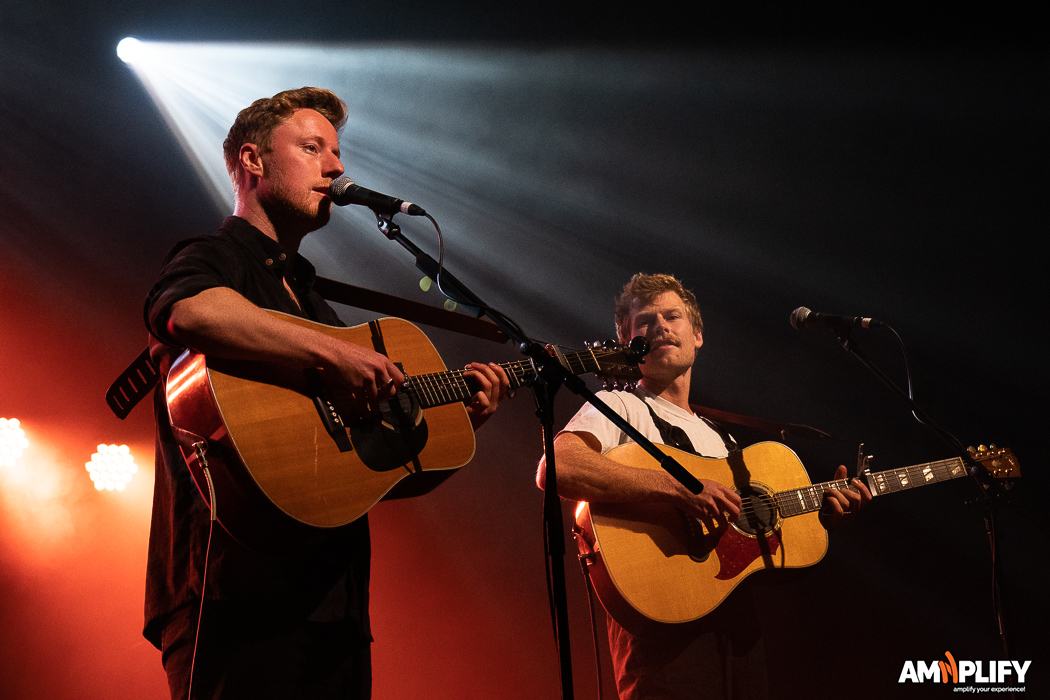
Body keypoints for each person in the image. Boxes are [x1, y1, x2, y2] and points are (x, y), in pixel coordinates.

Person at [143, 87, 509, 699]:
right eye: (313, 148)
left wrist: (462, 421)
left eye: (336, 152)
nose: (336, 167)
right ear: (254, 162)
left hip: (333, 603)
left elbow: (369, 466)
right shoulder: (215, 256)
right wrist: (334, 352)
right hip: (232, 592)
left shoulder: (314, 302)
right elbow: (186, 311)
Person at [536, 273, 870, 699]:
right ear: (625, 339)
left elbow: (752, 535)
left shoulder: (722, 440)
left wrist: (824, 516)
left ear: (697, 335)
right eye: (645, 322)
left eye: (672, 316)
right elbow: (557, 466)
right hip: (661, 638)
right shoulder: (619, 405)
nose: (660, 326)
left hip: (737, 637)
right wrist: (676, 488)